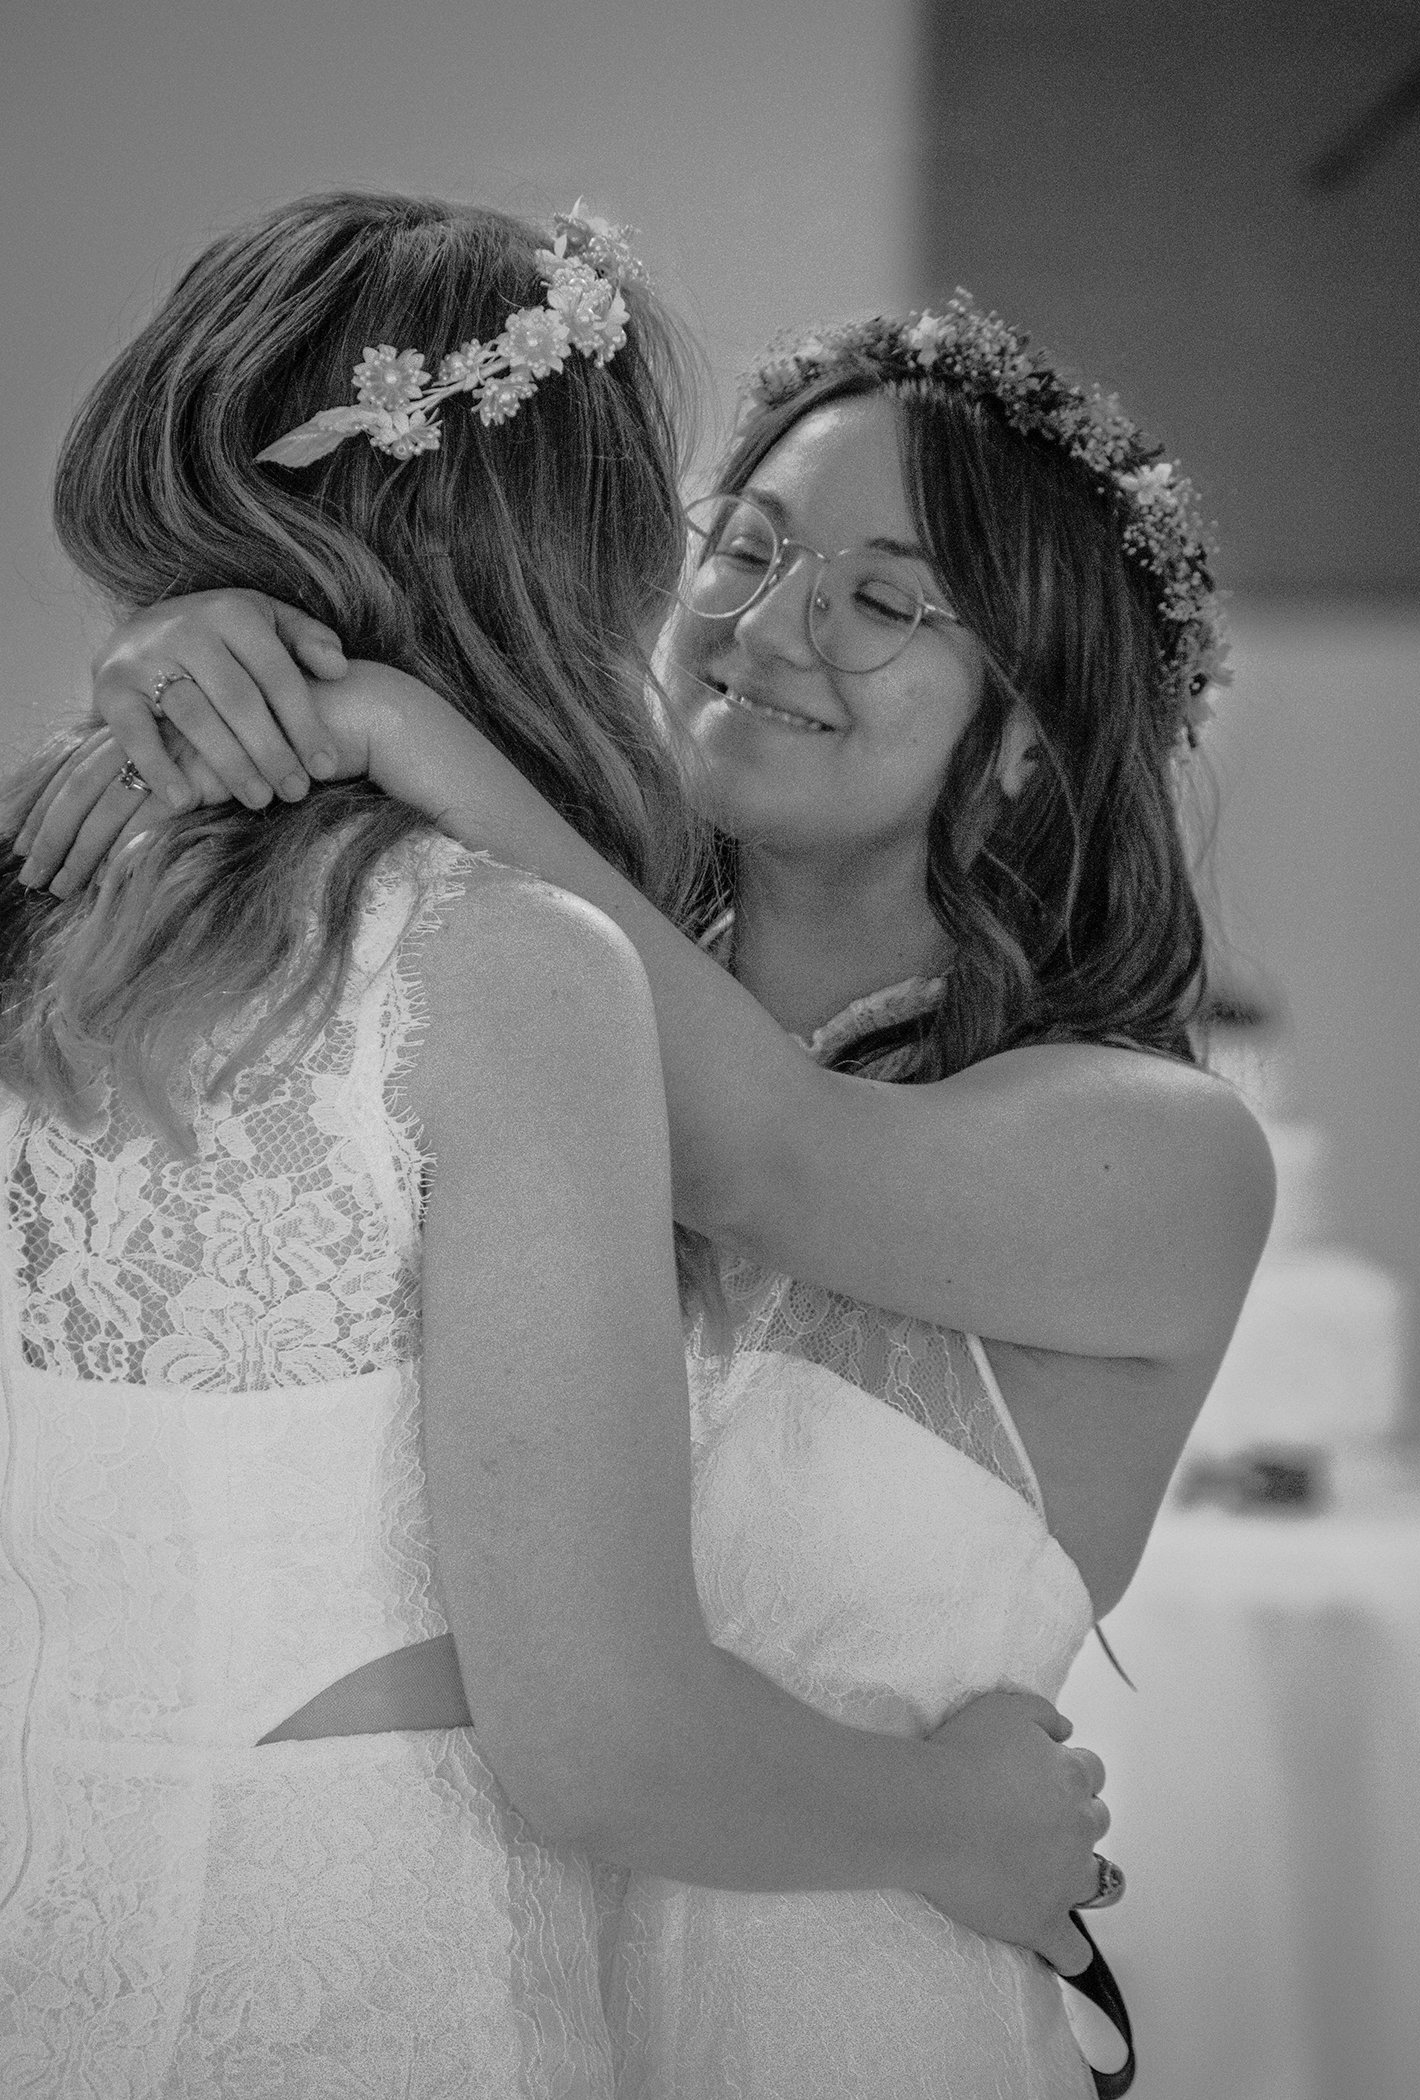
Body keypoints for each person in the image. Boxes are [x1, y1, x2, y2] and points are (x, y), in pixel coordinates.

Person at [0, 198, 1124, 2098]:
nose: (766, 630)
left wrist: (354, 718)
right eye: (743, 552)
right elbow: (598, 1741)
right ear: (584, 558)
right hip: (361, 1981)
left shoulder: (49, 893)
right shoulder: (508, 962)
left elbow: (772, 1151)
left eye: (883, 597)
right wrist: (962, 1823)